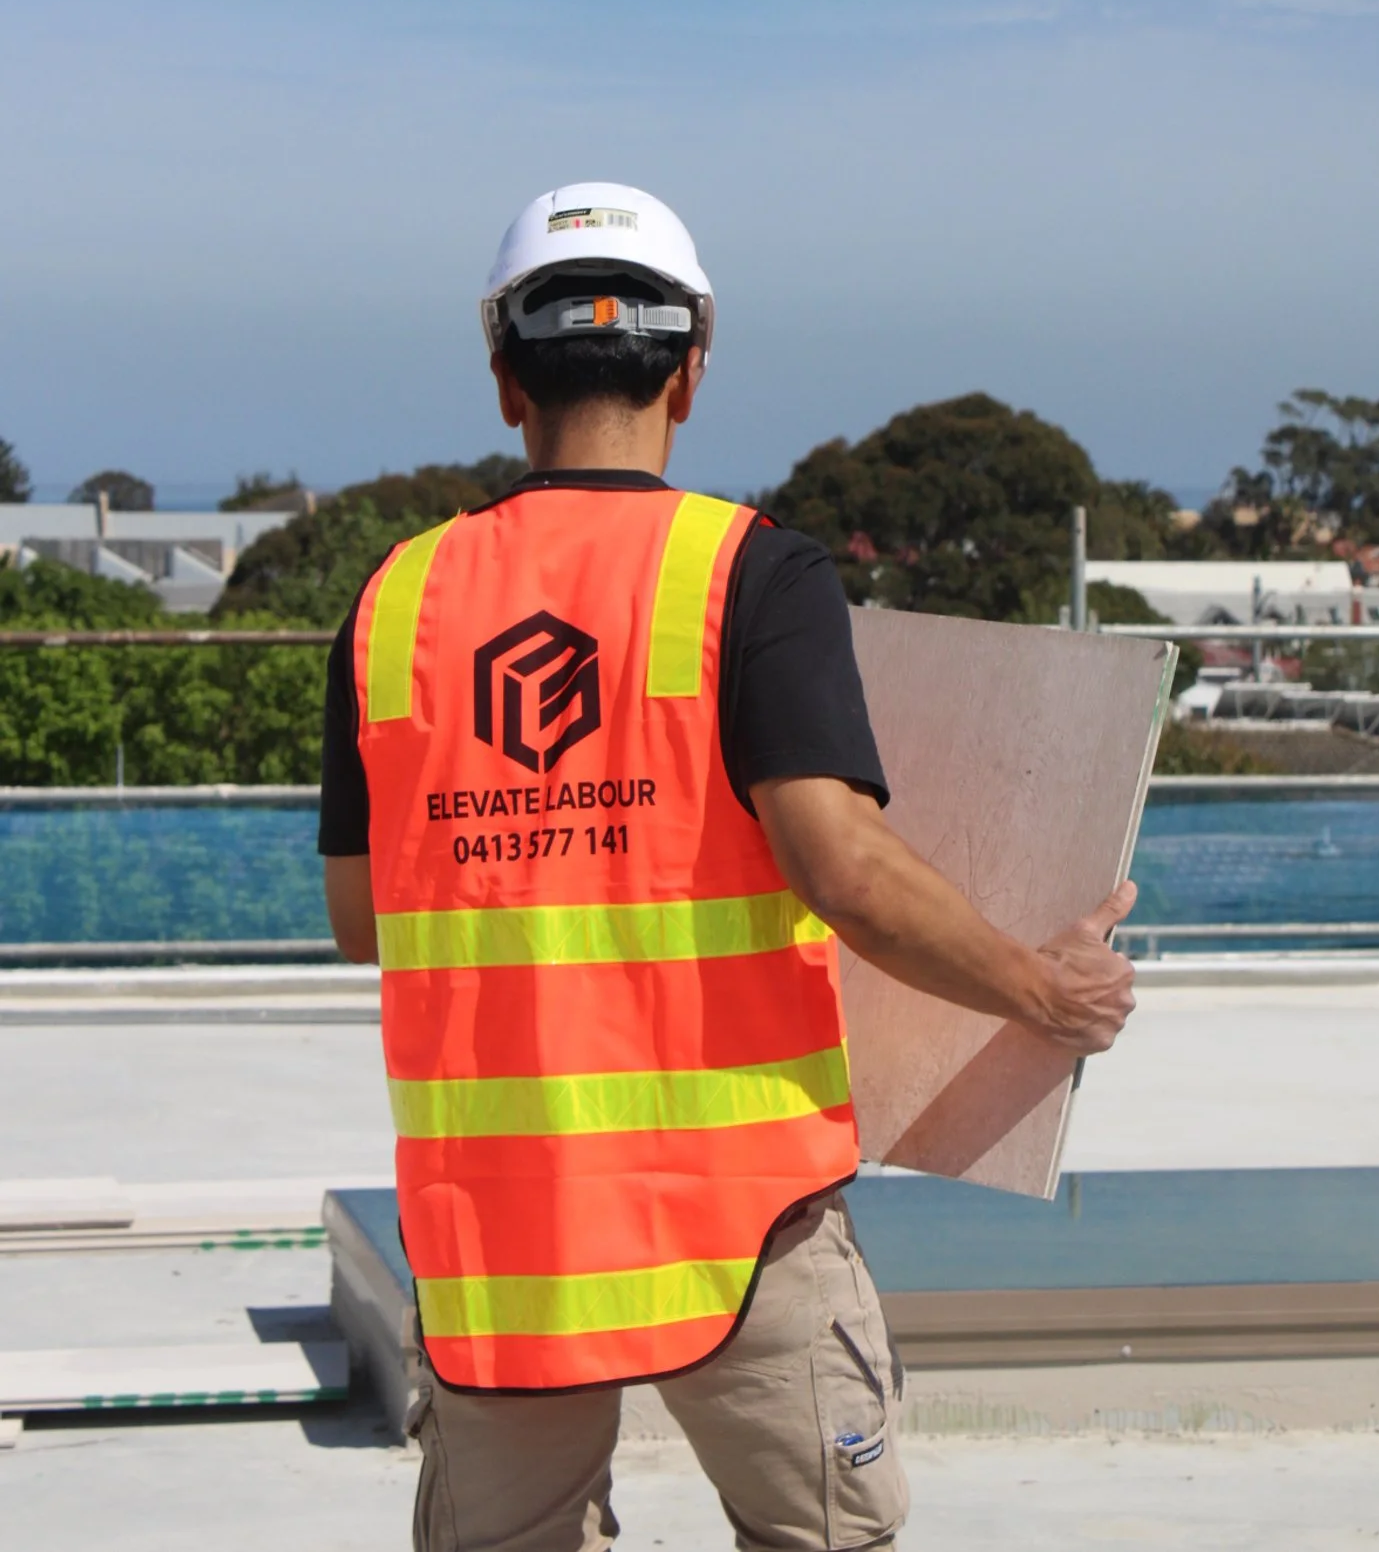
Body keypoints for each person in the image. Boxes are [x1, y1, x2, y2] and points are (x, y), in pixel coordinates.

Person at [320, 181, 1137, 1552]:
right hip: (736, 1218)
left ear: (504, 376)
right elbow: (846, 867)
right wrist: (1038, 990)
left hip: (505, 1236)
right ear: (690, 367)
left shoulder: (397, 599)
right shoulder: (747, 572)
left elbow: (363, 915)